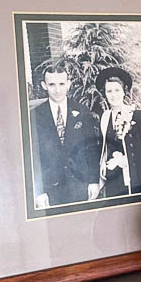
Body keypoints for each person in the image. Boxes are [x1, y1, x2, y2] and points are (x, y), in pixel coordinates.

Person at [29, 65, 101, 209]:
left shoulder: (82, 111)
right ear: (44, 85)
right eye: (52, 84)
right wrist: (38, 191)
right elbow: (33, 156)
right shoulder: (35, 116)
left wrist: (93, 181)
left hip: (79, 186)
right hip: (50, 190)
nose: (57, 90)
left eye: (62, 84)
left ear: (68, 84)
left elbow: (91, 150)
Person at [96, 67, 141, 198]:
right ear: (105, 94)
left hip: (134, 178)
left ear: (124, 92)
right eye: (109, 91)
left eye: (117, 90)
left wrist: (124, 160)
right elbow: (104, 149)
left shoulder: (139, 117)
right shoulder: (105, 118)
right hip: (114, 180)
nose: (113, 95)